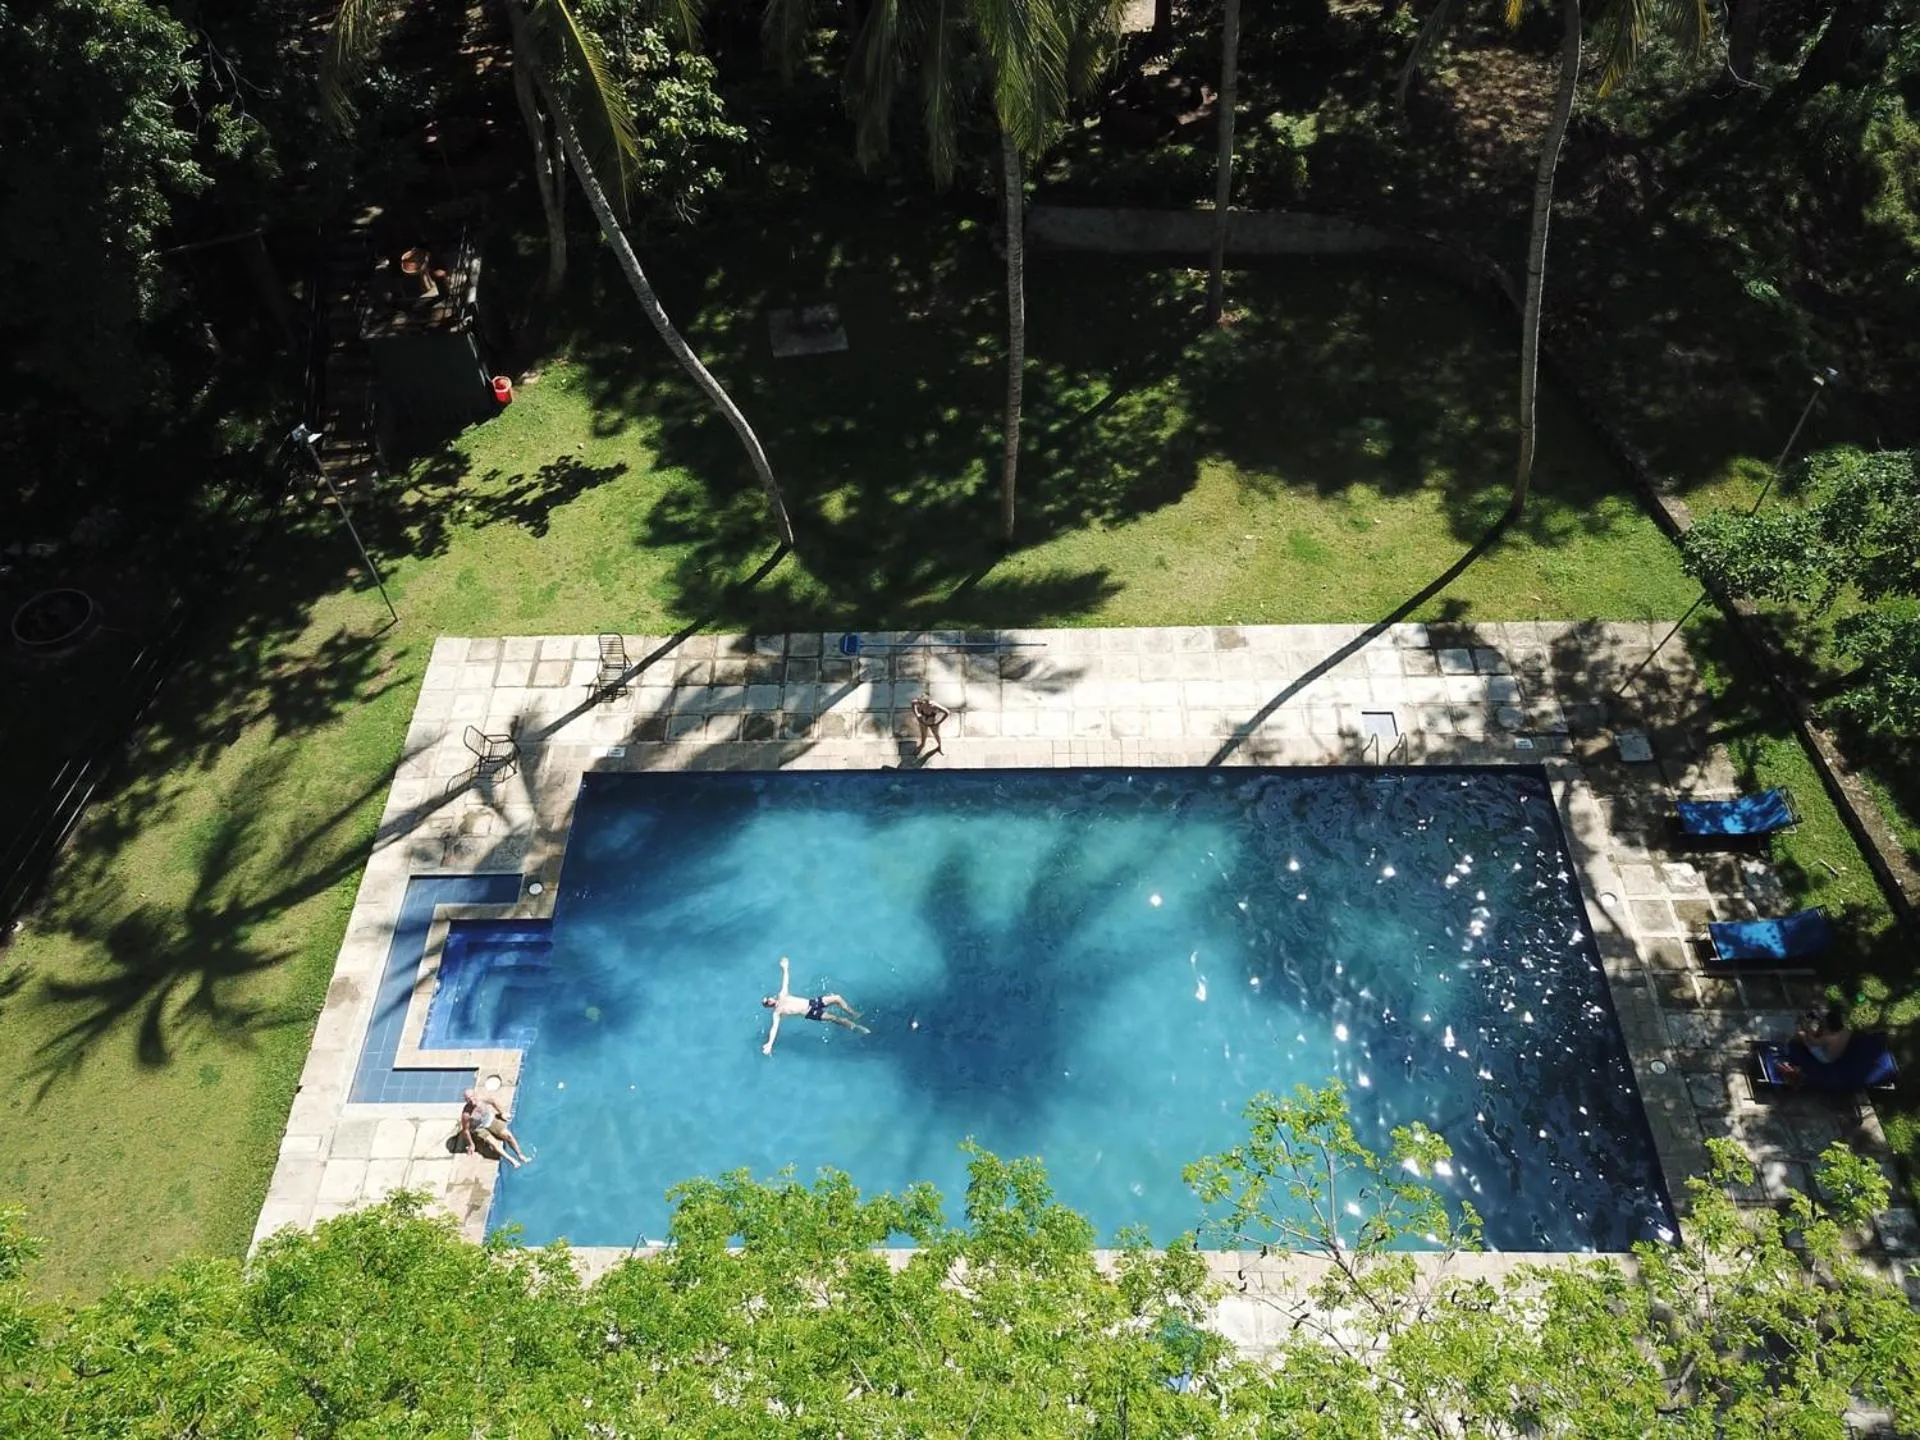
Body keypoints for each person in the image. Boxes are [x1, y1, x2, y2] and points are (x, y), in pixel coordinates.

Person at [761, 955, 866, 1054]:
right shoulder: (777, 1013)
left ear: (771, 998)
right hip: (811, 1013)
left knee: (837, 998)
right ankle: (855, 1028)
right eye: (766, 1003)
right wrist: (770, 1044)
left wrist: (785, 967)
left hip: (812, 1002)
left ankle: (854, 1014)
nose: (769, 1001)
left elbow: (786, 980)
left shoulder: (782, 994)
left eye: (768, 999)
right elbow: (774, 1028)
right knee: (836, 1019)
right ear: (768, 1006)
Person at [460, 1087, 531, 1167]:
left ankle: (520, 1155)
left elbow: (493, 1101)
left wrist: (502, 1113)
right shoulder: (466, 1114)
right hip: (480, 1128)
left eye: (473, 1097)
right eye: (469, 1099)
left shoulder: (482, 1099)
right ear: (466, 1101)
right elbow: (465, 1130)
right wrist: (471, 1144)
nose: (472, 1101)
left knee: (508, 1136)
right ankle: (512, 1160)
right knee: (494, 1144)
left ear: (476, 1094)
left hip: (490, 1120)